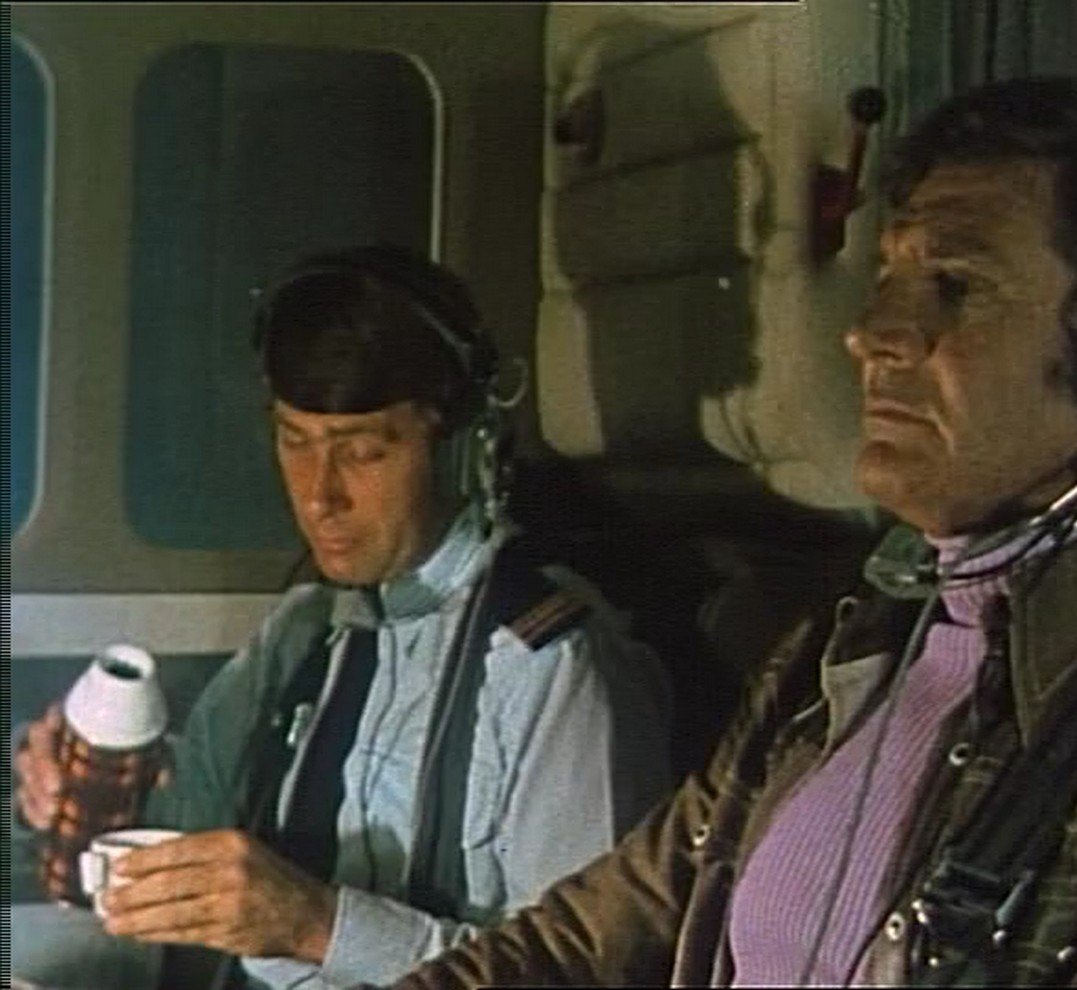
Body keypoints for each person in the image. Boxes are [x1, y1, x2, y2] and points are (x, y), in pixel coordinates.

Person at [358, 77, 1077, 989]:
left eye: (956, 286)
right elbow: (586, 938)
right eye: (886, 280)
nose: (871, 334)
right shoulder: (848, 645)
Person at [12, 244, 674, 989]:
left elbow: (588, 974)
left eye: (362, 452)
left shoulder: (557, 671)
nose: (318, 494)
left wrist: (318, 926)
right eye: (294, 441)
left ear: (461, 447)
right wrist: (88, 799)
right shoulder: (302, 634)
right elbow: (185, 819)